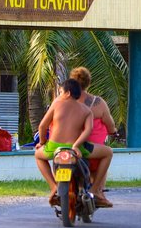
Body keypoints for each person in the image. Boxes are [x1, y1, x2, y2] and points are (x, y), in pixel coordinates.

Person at [34, 78, 114, 208]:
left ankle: (54, 187)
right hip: (76, 148)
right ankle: (95, 190)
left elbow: (42, 126)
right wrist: (76, 145)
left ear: (68, 93)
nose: (59, 95)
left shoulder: (56, 104)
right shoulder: (86, 110)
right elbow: (88, 131)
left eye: (61, 92)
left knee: (38, 155)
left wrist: (42, 142)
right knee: (108, 153)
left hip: (54, 147)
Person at [69, 66, 117, 206]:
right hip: (90, 150)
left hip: (67, 146)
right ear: (88, 83)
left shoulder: (65, 102)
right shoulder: (98, 103)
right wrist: (113, 131)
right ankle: (97, 191)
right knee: (107, 153)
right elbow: (111, 125)